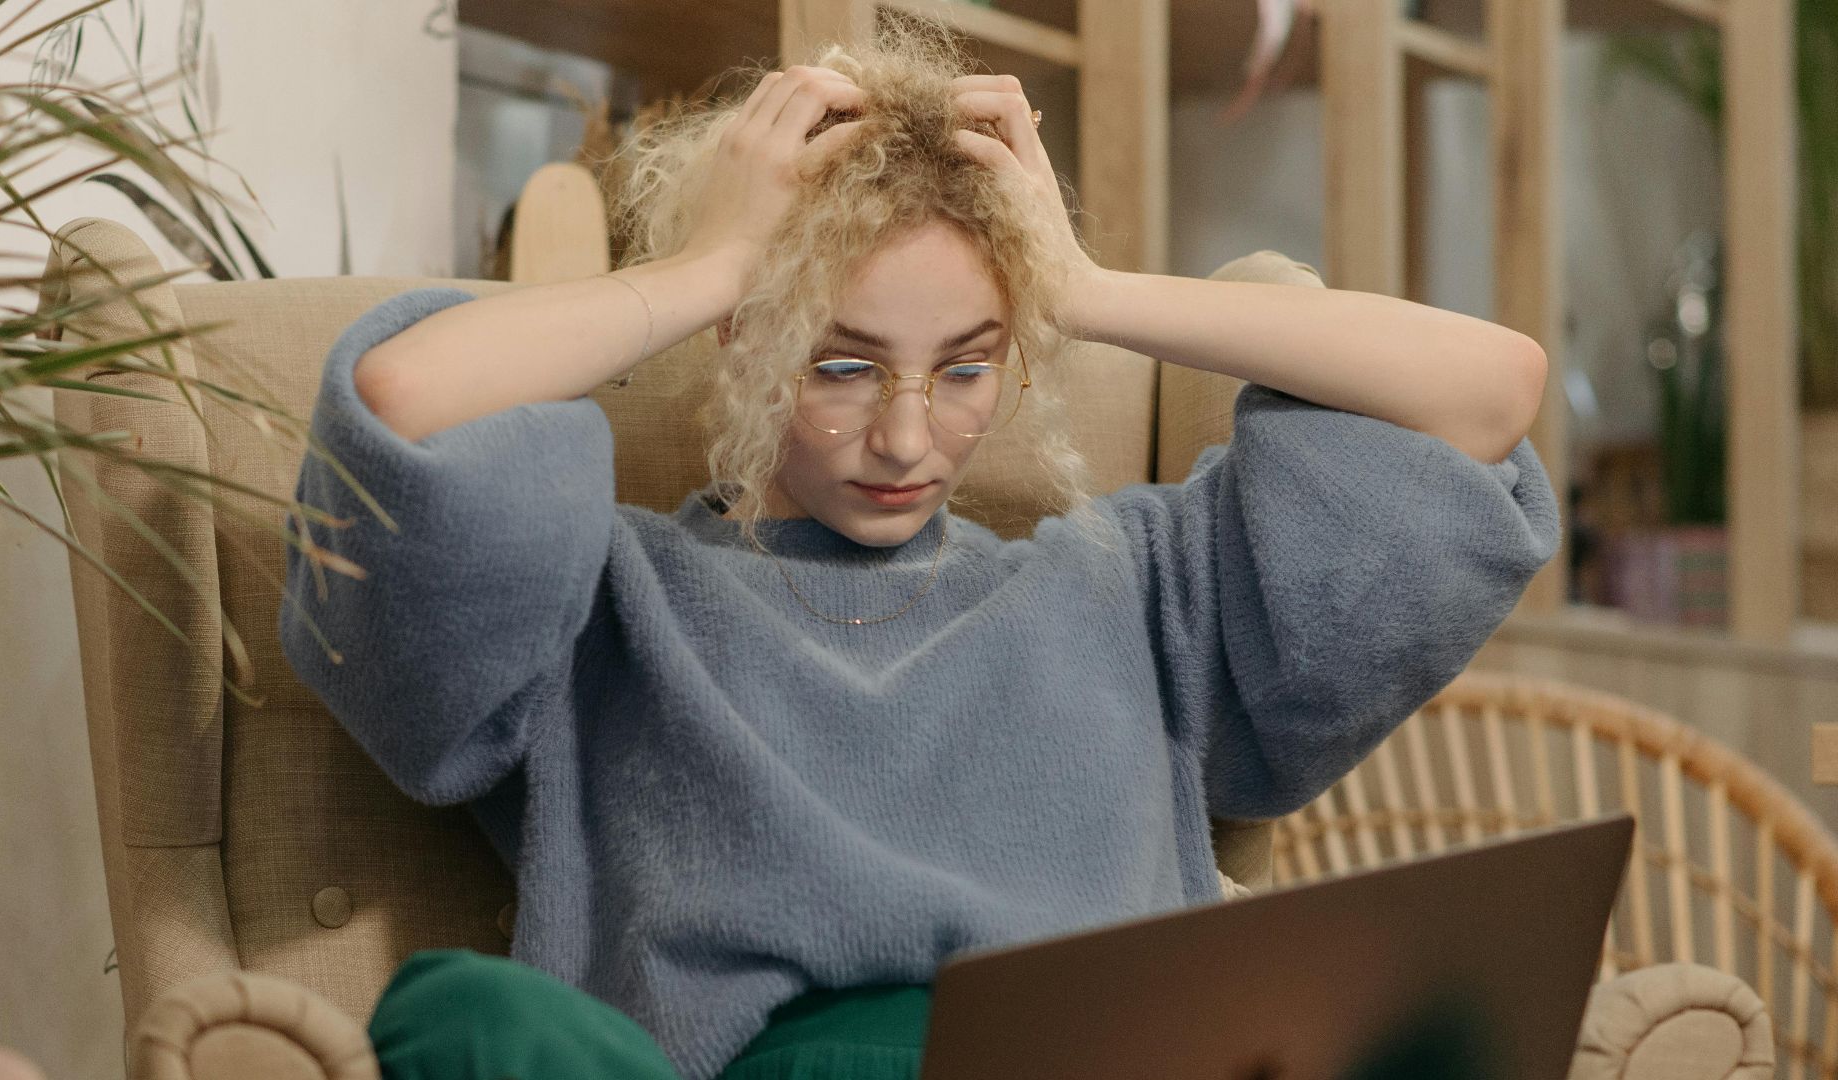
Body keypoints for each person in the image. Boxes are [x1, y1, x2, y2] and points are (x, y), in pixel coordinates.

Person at [278, 21, 1560, 1080]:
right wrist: (716, 263)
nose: (905, 435)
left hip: (1093, 1062)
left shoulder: (1134, 588)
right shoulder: (611, 603)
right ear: (747, 338)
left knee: (1433, 1029)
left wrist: (1079, 285)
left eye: (967, 365)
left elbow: (1492, 390)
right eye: (838, 363)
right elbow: (404, 404)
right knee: (461, 1016)